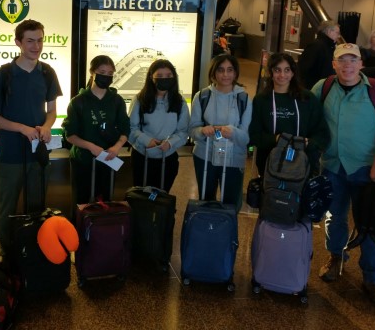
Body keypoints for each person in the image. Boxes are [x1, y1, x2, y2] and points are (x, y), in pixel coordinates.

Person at [311, 43, 375, 308]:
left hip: (366, 169)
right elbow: (309, 119)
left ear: (361, 64)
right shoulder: (323, 88)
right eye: (342, 60)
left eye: (353, 60)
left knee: (371, 224)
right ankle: (336, 256)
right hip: (333, 165)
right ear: (334, 64)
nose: (347, 65)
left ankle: (373, 278)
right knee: (334, 217)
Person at [0, 19, 62, 256]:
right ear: (18, 42)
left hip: (38, 151)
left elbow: (51, 110)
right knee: (7, 206)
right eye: (30, 40)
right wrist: (22, 128)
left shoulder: (47, 72)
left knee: (37, 204)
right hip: (10, 151)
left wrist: (47, 125)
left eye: (40, 40)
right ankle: (7, 252)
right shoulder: (4, 74)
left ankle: (33, 250)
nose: (36, 46)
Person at [63, 55, 130, 206]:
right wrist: (91, 147)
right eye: (102, 72)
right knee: (82, 201)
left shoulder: (116, 101)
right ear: (92, 72)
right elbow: (70, 135)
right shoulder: (78, 101)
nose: (106, 76)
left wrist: (117, 146)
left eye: (110, 73)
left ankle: (101, 229)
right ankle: (81, 229)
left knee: (105, 201)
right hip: (83, 160)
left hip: (108, 160)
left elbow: (125, 128)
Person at [249, 53, 329, 178]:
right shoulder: (261, 100)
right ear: (270, 73)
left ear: (293, 73)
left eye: (287, 70)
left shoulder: (307, 99)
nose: (282, 75)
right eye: (277, 70)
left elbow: (322, 134)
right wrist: (275, 139)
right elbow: (254, 134)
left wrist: (308, 143)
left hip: (302, 167)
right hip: (269, 167)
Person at [188, 54, 252, 212]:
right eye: (221, 70)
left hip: (233, 157)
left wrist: (232, 132)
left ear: (235, 73)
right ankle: (206, 231)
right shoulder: (202, 96)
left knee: (231, 202)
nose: (225, 75)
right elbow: (192, 131)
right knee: (206, 200)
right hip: (205, 156)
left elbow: (245, 138)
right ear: (213, 73)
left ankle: (226, 233)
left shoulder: (243, 99)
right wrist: (203, 130)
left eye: (230, 70)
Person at [128, 59, 190, 192]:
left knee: (160, 195)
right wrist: (146, 140)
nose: (164, 79)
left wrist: (170, 143)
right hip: (142, 155)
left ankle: (158, 212)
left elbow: (183, 131)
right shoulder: (140, 99)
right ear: (151, 77)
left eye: (168, 76)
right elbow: (131, 128)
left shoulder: (179, 101)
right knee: (141, 194)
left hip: (167, 157)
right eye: (160, 76)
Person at [298, 20, 341, 89]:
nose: (339, 36)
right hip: (314, 88)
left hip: (323, 87)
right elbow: (303, 69)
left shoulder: (329, 47)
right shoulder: (316, 46)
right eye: (337, 33)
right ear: (329, 31)